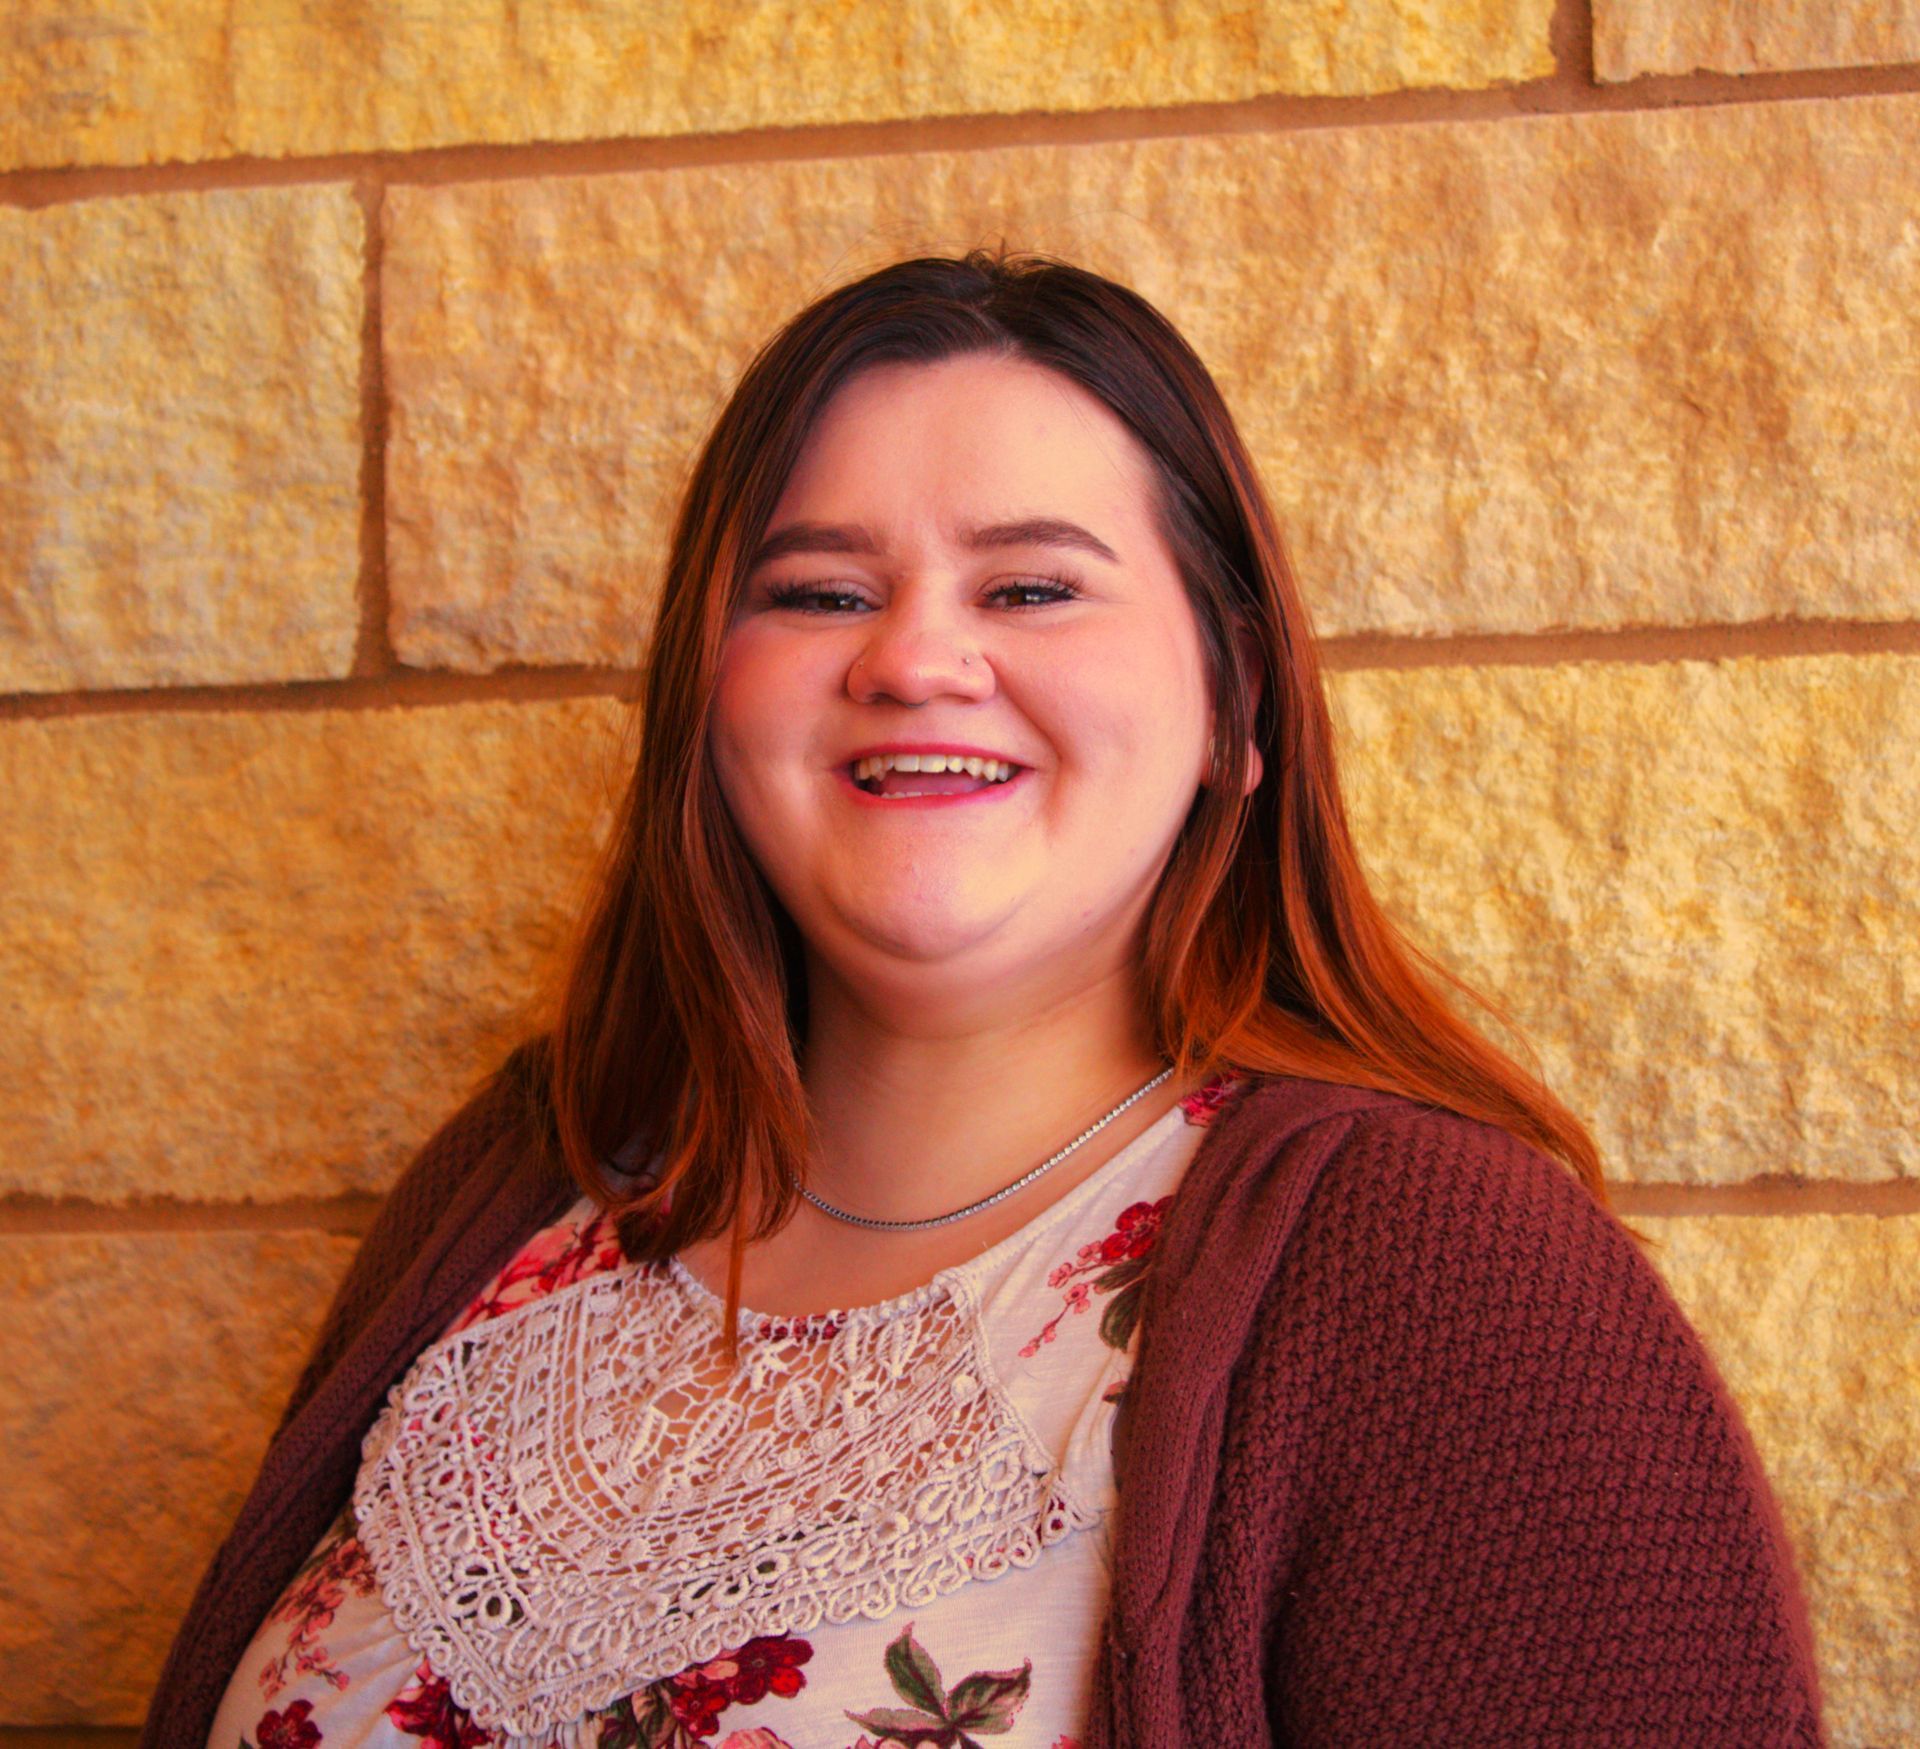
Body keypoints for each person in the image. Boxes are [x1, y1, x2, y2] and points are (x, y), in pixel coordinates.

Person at [143, 251, 1825, 1748]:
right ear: (706, 700)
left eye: (1030, 586)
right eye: (818, 591)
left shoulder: (1430, 1274)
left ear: (1237, 699)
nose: (915, 657)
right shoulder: (531, 1174)